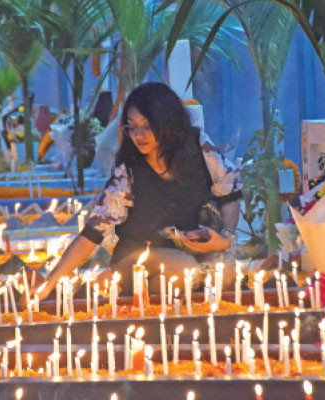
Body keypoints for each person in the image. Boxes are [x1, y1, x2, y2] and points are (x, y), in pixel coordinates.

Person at [33, 82, 241, 300]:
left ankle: (174, 324)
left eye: (146, 125)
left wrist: (224, 238)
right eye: (131, 126)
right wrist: (49, 284)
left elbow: (230, 191)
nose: (138, 135)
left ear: (168, 123)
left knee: (223, 274)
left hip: (189, 253)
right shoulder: (129, 172)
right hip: (138, 260)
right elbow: (92, 233)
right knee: (181, 269)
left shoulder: (199, 148)